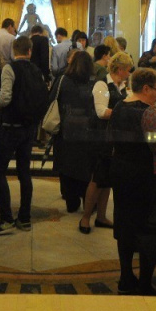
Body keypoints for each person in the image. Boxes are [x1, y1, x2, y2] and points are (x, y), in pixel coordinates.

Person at [109, 67, 156, 295]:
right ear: (146, 88)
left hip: (120, 170)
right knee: (147, 229)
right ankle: (144, 284)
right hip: (143, 174)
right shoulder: (147, 113)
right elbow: (155, 144)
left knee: (124, 226)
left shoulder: (118, 106)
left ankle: (125, 277)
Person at [0, 36, 47, 235]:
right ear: (29, 51)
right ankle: (25, 217)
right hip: (29, 128)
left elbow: (5, 98)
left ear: (13, 51)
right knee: (24, 172)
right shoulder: (37, 70)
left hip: (11, 126)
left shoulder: (9, 69)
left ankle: (5, 218)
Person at [79, 51, 133, 234]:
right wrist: (126, 112)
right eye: (128, 69)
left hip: (115, 138)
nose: (129, 73)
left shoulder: (122, 86)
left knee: (108, 179)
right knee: (97, 179)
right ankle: (85, 217)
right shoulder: (102, 84)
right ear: (120, 69)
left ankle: (101, 216)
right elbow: (101, 112)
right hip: (100, 138)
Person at [51, 50, 105, 214]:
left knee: (66, 166)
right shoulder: (96, 83)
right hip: (89, 132)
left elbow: (52, 99)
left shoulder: (62, 80)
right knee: (87, 168)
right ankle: (88, 201)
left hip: (65, 132)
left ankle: (71, 201)